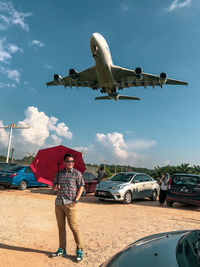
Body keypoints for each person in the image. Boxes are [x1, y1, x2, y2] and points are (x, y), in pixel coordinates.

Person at [51, 153, 85, 261]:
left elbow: (81, 187)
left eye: (72, 161)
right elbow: (54, 188)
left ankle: (79, 250)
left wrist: (76, 200)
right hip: (59, 203)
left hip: (70, 203)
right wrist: (56, 187)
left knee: (73, 227)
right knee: (61, 227)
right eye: (68, 161)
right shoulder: (59, 173)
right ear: (64, 162)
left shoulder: (77, 173)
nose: (70, 163)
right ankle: (62, 249)